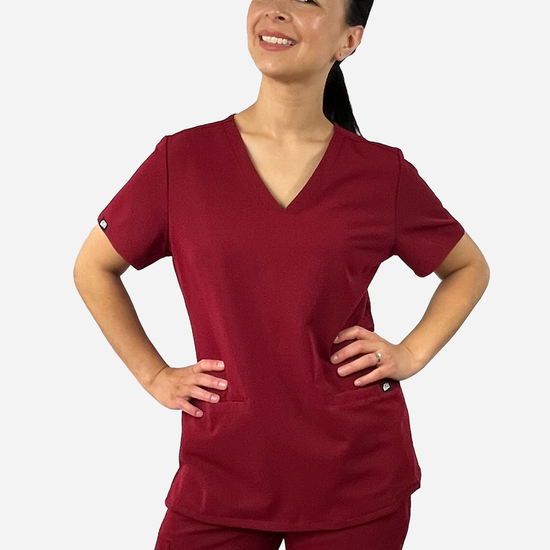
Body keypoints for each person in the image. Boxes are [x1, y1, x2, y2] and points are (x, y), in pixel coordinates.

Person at [73, 0, 490, 548]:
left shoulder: (381, 173)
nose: (277, 9)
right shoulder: (183, 160)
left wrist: (410, 353)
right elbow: (94, 268)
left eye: (309, 0)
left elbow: (467, 267)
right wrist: (154, 375)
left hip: (356, 473)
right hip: (223, 467)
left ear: (349, 41)